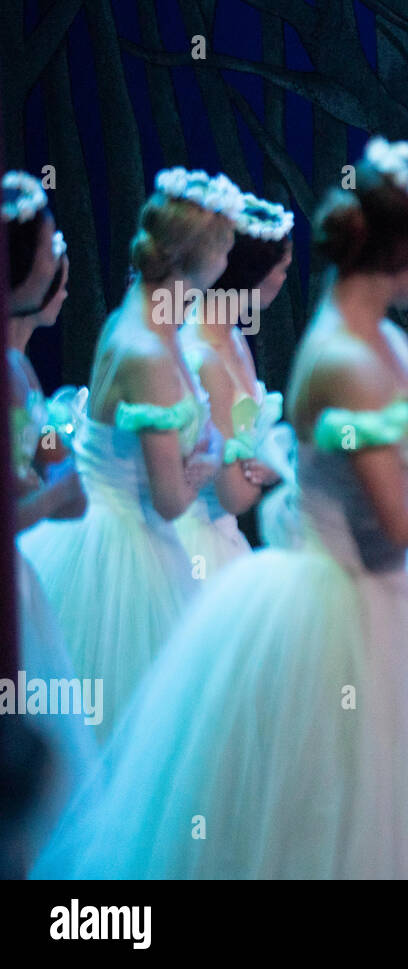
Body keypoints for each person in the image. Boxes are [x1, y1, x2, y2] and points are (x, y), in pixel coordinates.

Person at [31, 138, 408, 878]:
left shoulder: (192, 341)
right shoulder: (168, 351)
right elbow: (185, 493)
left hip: (201, 535)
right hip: (150, 542)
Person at [18, 167, 234, 737]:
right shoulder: (147, 349)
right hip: (122, 544)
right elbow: (168, 501)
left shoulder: (144, 316)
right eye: (227, 249)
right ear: (203, 260)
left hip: (125, 525)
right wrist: (208, 466)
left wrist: (204, 441)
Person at [4, 172, 94, 867]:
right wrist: (54, 492)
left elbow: (68, 483)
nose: (58, 254)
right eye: (44, 246)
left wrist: (62, 472)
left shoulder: (24, 376)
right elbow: (40, 496)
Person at [174, 191, 294, 577]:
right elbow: (233, 494)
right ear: (254, 275)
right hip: (194, 541)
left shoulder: (232, 333)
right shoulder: (204, 353)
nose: (285, 278)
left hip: (222, 533)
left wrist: (267, 463)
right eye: (283, 268)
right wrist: (277, 468)